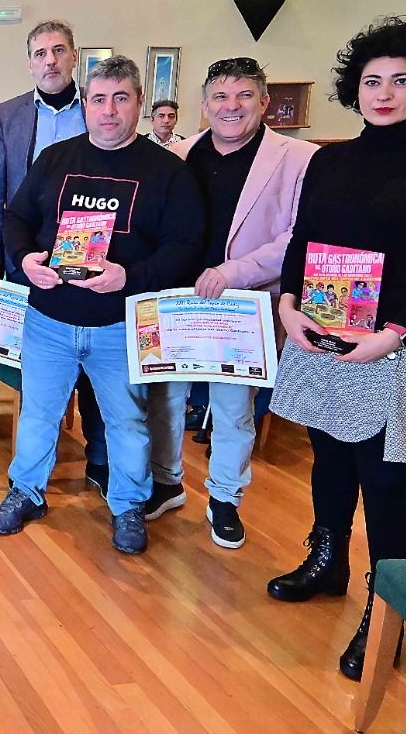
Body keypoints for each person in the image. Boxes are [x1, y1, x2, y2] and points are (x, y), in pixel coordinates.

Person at [266, 16, 406, 682]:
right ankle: (327, 559)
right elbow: (304, 239)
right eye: (371, 80)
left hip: (398, 339)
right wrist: (287, 305)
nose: (384, 92)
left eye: (401, 79)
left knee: (385, 476)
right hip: (326, 329)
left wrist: (392, 332)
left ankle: (385, 610)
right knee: (328, 453)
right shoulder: (331, 158)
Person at [0, 56, 204, 555]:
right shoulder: (55, 159)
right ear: (86, 104)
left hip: (119, 324)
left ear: (139, 104)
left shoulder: (167, 172)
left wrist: (130, 277)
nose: (109, 111)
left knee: (126, 421)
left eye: (121, 99)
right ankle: (26, 491)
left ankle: (129, 505)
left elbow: (185, 244)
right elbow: (16, 217)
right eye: (99, 99)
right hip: (49, 320)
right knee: (40, 413)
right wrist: (24, 259)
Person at [147, 58, 318, 548]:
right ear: (204, 107)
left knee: (233, 409)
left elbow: (300, 237)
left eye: (244, 95)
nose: (231, 106)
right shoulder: (177, 155)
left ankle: (224, 498)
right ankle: (166, 483)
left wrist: (231, 273)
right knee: (165, 399)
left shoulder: (299, 157)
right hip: (176, 298)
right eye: (220, 97)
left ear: (264, 102)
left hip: (241, 302)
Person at [0, 19, 110, 496]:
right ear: (29, 61)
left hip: (92, 259)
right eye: (39, 53)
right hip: (24, 255)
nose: (49, 61)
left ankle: (100, 456)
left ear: (75, 57)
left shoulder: (98, 109)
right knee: (40, 372)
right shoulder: (7, 114)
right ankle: (35, 470)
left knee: (98, 366)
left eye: (58, 51)